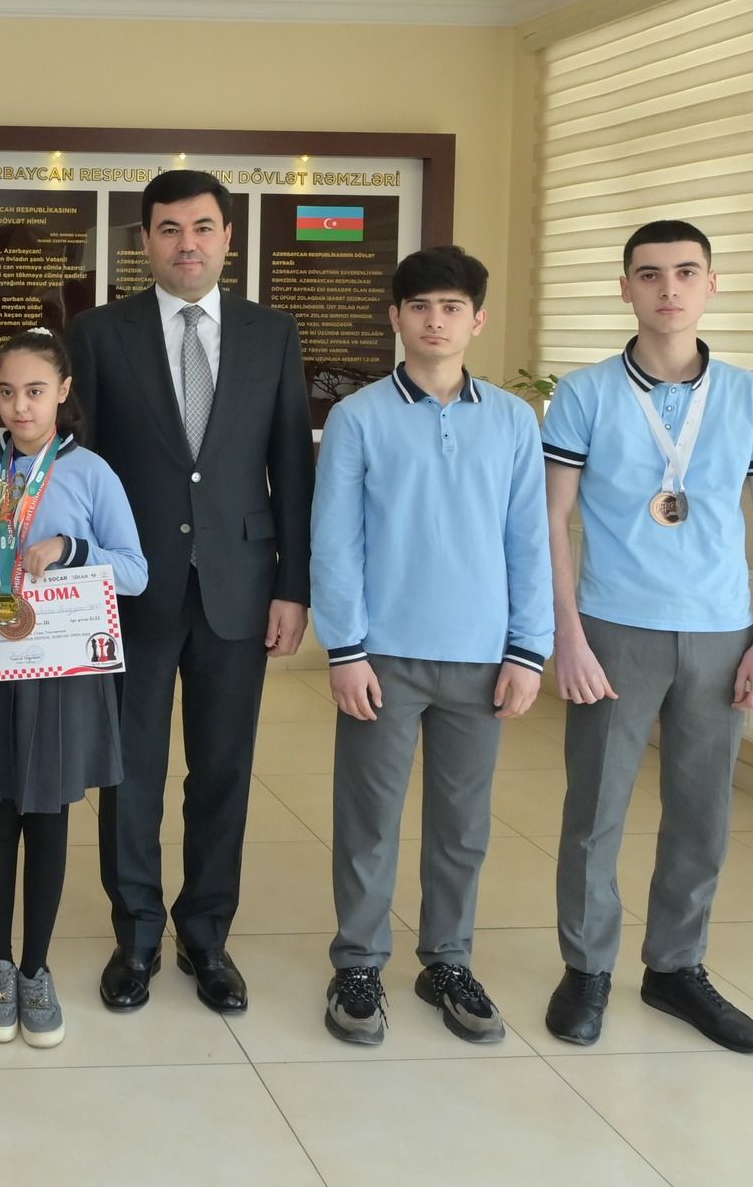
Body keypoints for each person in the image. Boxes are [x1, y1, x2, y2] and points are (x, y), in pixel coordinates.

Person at [541, 220, 753, 1054]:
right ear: (625, 289)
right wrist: (568, 636)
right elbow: (552, 518)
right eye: (649, 274)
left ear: (711, 285)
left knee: (701, 810)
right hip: (614, 628)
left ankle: (676, 967)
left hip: (721, 631)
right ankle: (587, 967)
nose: (668, 289)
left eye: (686, 272)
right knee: (596, 810)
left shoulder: (751, 397)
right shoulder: (585, 394)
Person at [66, 169, 314, 1014]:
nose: (188, 244)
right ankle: (136, 935)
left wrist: (293, 585)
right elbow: (82, 464)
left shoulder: (272, 333)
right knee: (129, 770)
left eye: (203, 227)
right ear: (144, 241)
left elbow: (292, 464)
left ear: (228, 237)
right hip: (132, 588)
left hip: (239, 587)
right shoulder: (100, 333)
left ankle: (206, 935)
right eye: (169, 229)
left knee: (223, 771)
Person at [311, 246, 550, 1046]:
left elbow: (529, 541)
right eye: (419, 307)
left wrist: (529, 650)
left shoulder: (513, 420)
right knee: (369, 821)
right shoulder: (358, 416)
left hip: (480, 658)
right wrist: (345, 648)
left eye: (451, 307)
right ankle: (358, 962)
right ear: (396, 317)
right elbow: (335, 542)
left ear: (477, 320)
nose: (435, 321)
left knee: (462, 824)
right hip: (383, 657)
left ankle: (447, 959)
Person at [0, 328, 147, 1048]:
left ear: (63, 392)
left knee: (48, 819)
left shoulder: (91, 474)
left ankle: (36, 968)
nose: (19, 406)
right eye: (6, 392)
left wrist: (70, 549)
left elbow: (136, 570)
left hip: (60, 675)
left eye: (35, 391)